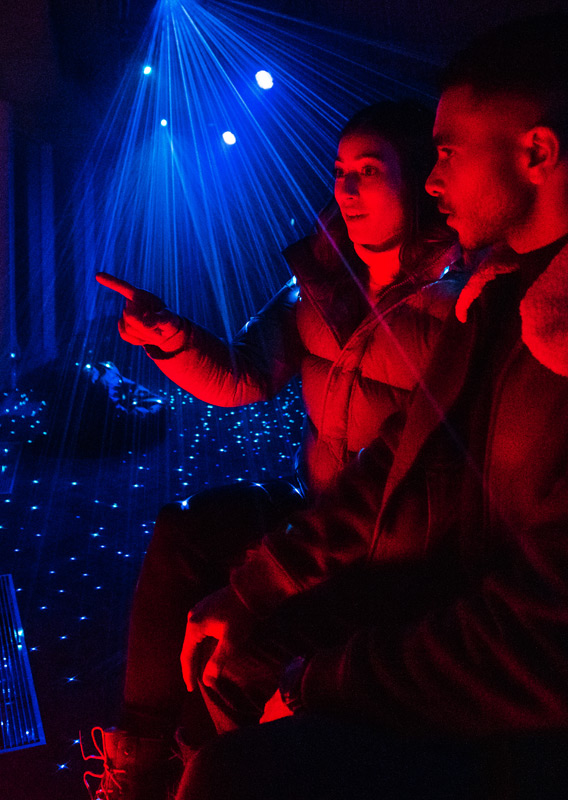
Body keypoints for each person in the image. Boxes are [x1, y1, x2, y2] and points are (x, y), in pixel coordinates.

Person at [172, 13, 568, 800]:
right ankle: (153, 752)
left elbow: (540, 637)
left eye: (444, 154)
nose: (431, 179)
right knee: (227, 642)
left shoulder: (479, 305)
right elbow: (395, 458)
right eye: (338, 173)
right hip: (423, 590)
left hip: (518, 709)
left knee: (237, 771)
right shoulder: (496, 299)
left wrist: (321, 683)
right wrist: (256, 590)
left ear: (537, 153)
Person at [83, 101, 465, 799]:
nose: (345, 189)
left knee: (252, 656)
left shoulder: (459, 302)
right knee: (184, 531)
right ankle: (139, 764)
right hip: (318, 506)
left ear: (418, 182)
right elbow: (247, 375)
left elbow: (415, 476)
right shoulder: (321, 279)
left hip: (393, 544)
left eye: (369, 171)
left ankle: (213, 770)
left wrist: (273, 577)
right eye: (340, 171)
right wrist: (168, 335)